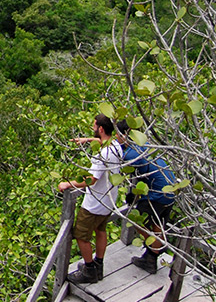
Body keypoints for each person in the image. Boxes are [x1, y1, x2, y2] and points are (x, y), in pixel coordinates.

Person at [59, 114, 124, 284]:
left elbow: (91, 179)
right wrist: (87, 140)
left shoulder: (102, 154)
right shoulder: (116, 145)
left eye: (94, 127)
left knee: (81, 235)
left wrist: (68, 184)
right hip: (108, 201)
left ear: (101, 129)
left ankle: (89, 270)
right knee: (100, 230)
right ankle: (98, 264)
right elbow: (104, 141)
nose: (93, 128)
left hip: (94, 204)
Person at [114, 119, 177, 274]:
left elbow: (118, 163)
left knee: (135, 219)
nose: (115, 138)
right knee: (157, 224)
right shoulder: (143, 144)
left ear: (123, 135)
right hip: (171, 189)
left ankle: (155, 248)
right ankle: (151, 257)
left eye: (117, 135)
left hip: (158, 194)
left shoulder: (130, 155)